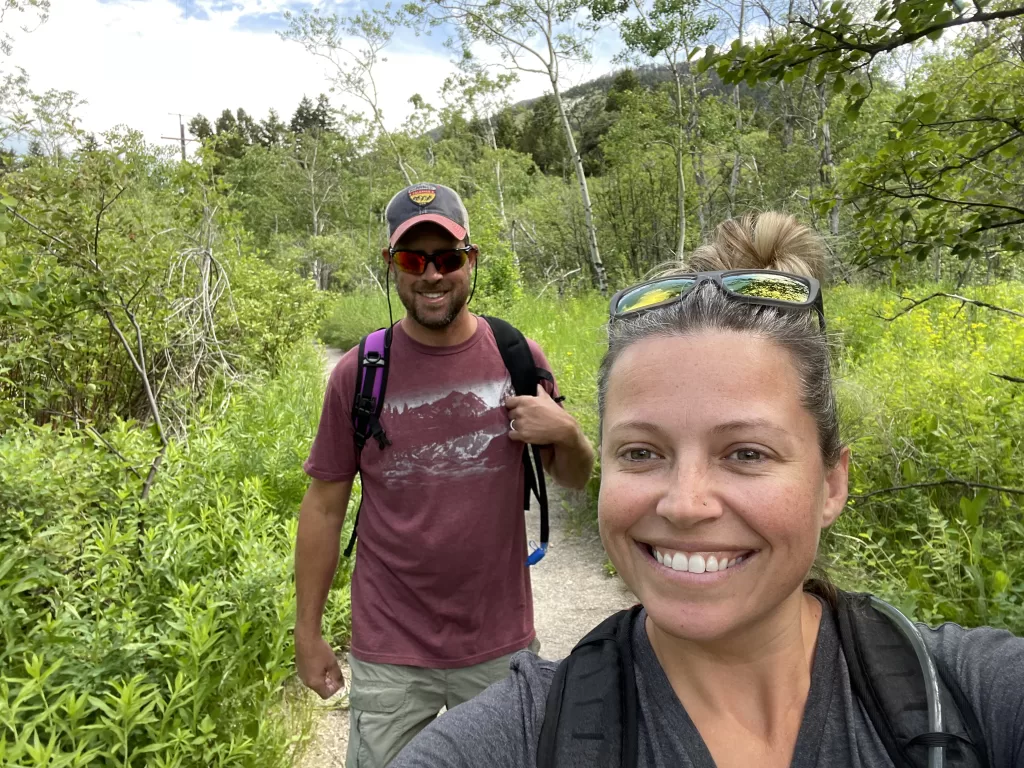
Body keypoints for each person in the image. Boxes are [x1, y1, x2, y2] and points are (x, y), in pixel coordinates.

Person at [389, 212, 1024, 768]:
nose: (686, 504)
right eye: (641, 452)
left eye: (746, 453)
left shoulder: (974, 697)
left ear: (832, 482)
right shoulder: (519, 736)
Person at [295, 182, 596, 768]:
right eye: (413, 259)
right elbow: (324, 506)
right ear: (392, 267)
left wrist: (570, 433)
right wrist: (307, 633)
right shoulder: (361, 373)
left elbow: (576, 478)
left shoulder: (519, 357)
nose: (431, 275)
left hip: (498, 643)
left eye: (448, 258)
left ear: (471, 261)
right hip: (390, 650)